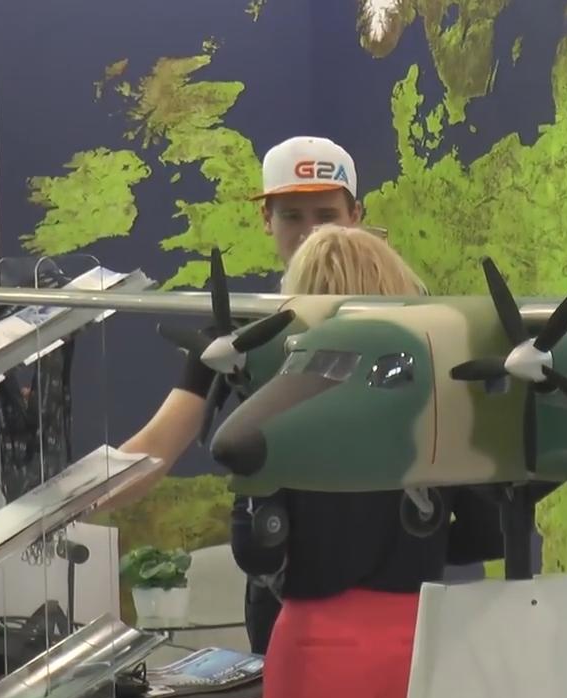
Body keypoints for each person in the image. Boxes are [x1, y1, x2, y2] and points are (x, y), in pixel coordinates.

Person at [97, 136, 374, 659]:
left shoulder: (406, 321)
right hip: (284, 583)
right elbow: (156, 449)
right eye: (292, 216)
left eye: (327, 216)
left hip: (394, 578)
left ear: (356, 216)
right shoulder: (235, 334)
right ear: (266, 220)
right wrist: (59, 509)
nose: (311, 233)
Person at [230, 224, 509, 698]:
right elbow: (489, 533)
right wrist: (422, 547)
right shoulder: (435, 403)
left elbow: (255, 548)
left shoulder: (286, 409)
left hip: (318, 646)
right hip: (418, 640)